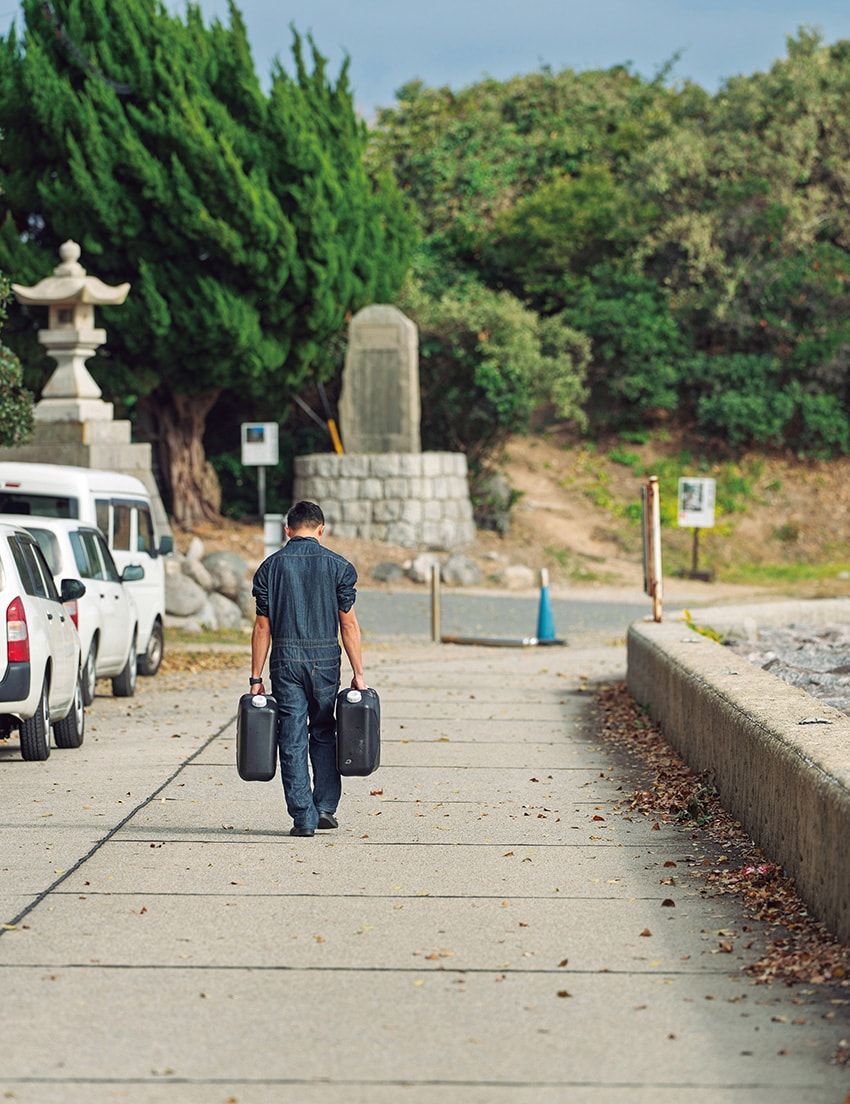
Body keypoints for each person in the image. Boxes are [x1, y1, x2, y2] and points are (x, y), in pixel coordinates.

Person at [250, 500, 366, 837]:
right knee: (324, 731)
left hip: (285, 659)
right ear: (321, 530)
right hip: (326, 660)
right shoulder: (338, 566)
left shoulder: (270, 568)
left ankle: (303, 817)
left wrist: (256, 678)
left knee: (292, 736)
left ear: (287, 530)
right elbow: (349, 625)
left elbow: (261, 628)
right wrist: (358, 672)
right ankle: (325, 806)